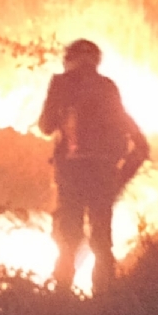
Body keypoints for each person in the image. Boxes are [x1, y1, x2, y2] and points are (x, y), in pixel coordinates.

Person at [38, 39, 150, 294]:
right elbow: (141, 146)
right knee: (101, 242)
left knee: (68, 238)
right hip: (103, 175)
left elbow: (45, 126)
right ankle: (104, 300)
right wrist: (118, 180)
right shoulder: (108, 87)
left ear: (69, 59)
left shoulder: (61, 83)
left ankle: (61, 299)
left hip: (72, 175)